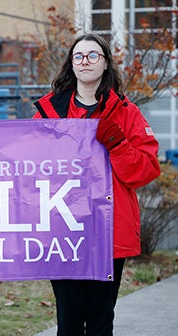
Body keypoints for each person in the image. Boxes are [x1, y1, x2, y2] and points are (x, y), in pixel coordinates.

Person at [33, 33, 160, 335]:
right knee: (69, 319)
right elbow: (30, 168)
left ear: (105, 64)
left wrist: (118, 145)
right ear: (71, 65)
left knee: (102, 319)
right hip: (64, 229)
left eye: (93, 55)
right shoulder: (47, 113)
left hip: (109, 231)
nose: (85, 61)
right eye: (78, 56)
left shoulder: (127, 113)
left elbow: (146, 170)